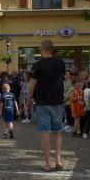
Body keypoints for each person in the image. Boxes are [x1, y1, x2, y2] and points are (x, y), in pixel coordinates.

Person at [28, 40, 67, 172]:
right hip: (57, 101)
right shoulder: (60, 62)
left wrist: (28, 101)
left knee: (45, 133)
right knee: (58, 132)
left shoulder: (37, 65)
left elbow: (32, 87)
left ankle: (47, 164)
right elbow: (62, 79)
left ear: (41, 49)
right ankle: (59, 160)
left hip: (43, 102)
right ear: (52, 49)